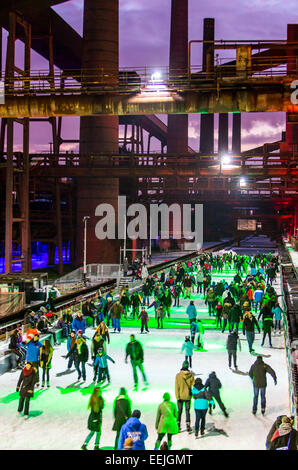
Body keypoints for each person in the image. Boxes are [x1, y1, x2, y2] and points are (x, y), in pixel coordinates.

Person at [175, 361, 195, 432]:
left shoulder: (178, 375)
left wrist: (177, 397)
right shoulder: (191, 375)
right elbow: (194, 385)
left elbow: (176, 387)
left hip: (180, 396)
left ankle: (178, 425)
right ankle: (188, 425)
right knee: (187, 411)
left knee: (179, 411)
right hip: (188, 396)